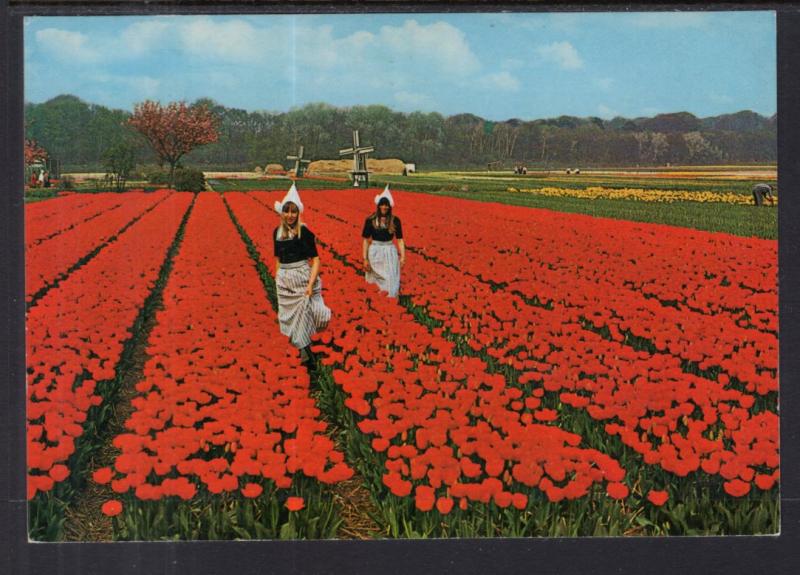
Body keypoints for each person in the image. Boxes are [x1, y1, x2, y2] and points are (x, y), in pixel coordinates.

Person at [273, 184, 331, 363]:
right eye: (287, 211)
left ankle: (307, 351)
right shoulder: (277, 233)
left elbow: (316, 260)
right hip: (284, 280)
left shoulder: (304, 232)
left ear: (298, 213)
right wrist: (277, 279)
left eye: (293, 212)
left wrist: (310, 285)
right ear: (282, 213)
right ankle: (302, 353)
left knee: (310, 314)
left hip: (302, 278)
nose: (290, 215)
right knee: (289, 318)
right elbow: (277, 259)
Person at [362, 185, 405, 298]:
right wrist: (365, 258)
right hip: (375, 251)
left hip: (389, 251)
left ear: (390, 206)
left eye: (386, 205)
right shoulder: (370, 220)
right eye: (382, 204)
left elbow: (400, 240)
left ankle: (390, 300)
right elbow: (366, 240)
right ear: (378, 205)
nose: (384, 207)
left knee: (391, 278)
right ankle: (377, 304)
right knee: (375, 278)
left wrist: (403, 257)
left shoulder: (395, 220)